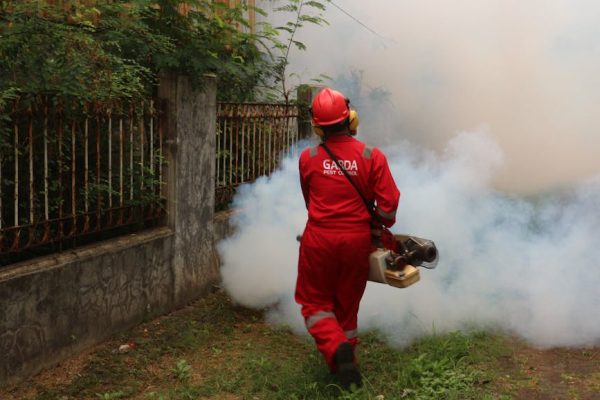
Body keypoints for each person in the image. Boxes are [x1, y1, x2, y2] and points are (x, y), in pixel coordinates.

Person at [295, 87, 401, 389]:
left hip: (319, 239)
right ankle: (347, 366)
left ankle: (336, 350)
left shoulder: (308, 158)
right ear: (351, 119)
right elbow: (390, 205)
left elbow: (309, 200)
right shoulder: (372, 156)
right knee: (347, 305)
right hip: (356, 242)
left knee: (313, 302)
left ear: (317, 127)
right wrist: (379, 225)